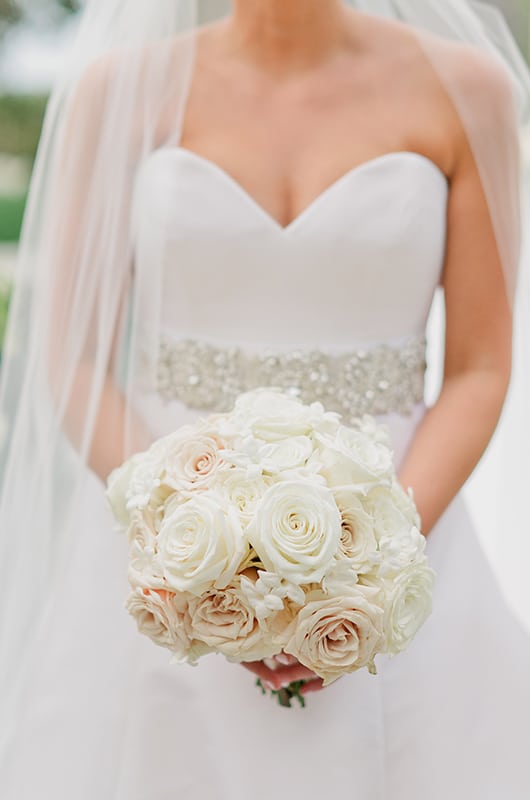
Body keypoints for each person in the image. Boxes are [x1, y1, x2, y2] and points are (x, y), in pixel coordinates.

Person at [0, 1, 529, 798]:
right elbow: (73, 357)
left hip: (407, 525)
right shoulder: (117, 90)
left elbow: (480, 367)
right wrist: (194, 554)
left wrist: (362, 571)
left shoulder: (470, 89)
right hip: (158, 548)